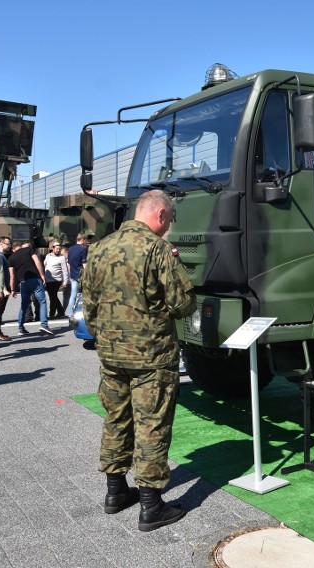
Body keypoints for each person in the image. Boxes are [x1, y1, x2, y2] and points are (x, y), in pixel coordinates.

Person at [81, 190, 196, 532]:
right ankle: (151, 505)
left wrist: (105, 337)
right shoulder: (157, 249)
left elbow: (89, 307)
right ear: (161, 215)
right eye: (170, 220)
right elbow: (182, 304)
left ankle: (115, 493)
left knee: (116, 418)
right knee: (152, 423)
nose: (169, 226)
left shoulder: (99, 248)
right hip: (151, 356)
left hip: (111, 353)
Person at [8, 241, 54, 336]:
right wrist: (42, 275)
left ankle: (20, 328)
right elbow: (37, 262)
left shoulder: (11, 258)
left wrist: (12, 289)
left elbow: (11, 276)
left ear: (13, 249)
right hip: (35, 279)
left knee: (24, 305)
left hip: (23, 282)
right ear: (20, 246)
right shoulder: (28, 250)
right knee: (42, 301)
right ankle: (44, 324)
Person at [65, 232, 90, 317]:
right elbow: (84, 264)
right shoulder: (83, 249)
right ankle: (82, 313)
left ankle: (70, 313)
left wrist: (69, 274)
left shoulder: (70, 249)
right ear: (82, 240)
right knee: (84, 294)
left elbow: (68, 263)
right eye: (85, 240)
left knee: (73, 295)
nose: (86, 242)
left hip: (73, 274)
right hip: (81, 274)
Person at [43, 241, 69, 319]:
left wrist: (65, 281)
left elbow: (65, 270)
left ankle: (52, 314)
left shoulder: (62, 258)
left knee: (53, 297)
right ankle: (61, 311)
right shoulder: (48, 256)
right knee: (53, 296)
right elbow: (45, 263)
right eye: (57, 249)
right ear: (53, 248)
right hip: (48, 279)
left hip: (57, 280)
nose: (58, 250)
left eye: (59, 249)